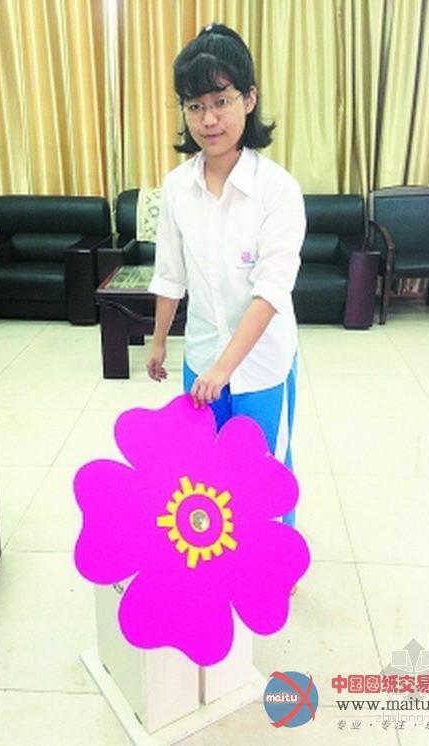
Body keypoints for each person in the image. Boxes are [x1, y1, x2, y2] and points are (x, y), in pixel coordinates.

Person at [146, 23, 306, 525]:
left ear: (249, 99)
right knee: (207, 474)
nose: (208, 119)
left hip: (261, 365)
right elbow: (170, 272)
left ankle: (276, 555)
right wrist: (159, 343)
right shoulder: (177, 187)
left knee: (265, 472)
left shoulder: (277, 189)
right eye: (194, 106)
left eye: (221, 101)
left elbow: (271, 291)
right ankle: (225, 557)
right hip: (201, 356)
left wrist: (224, 370)